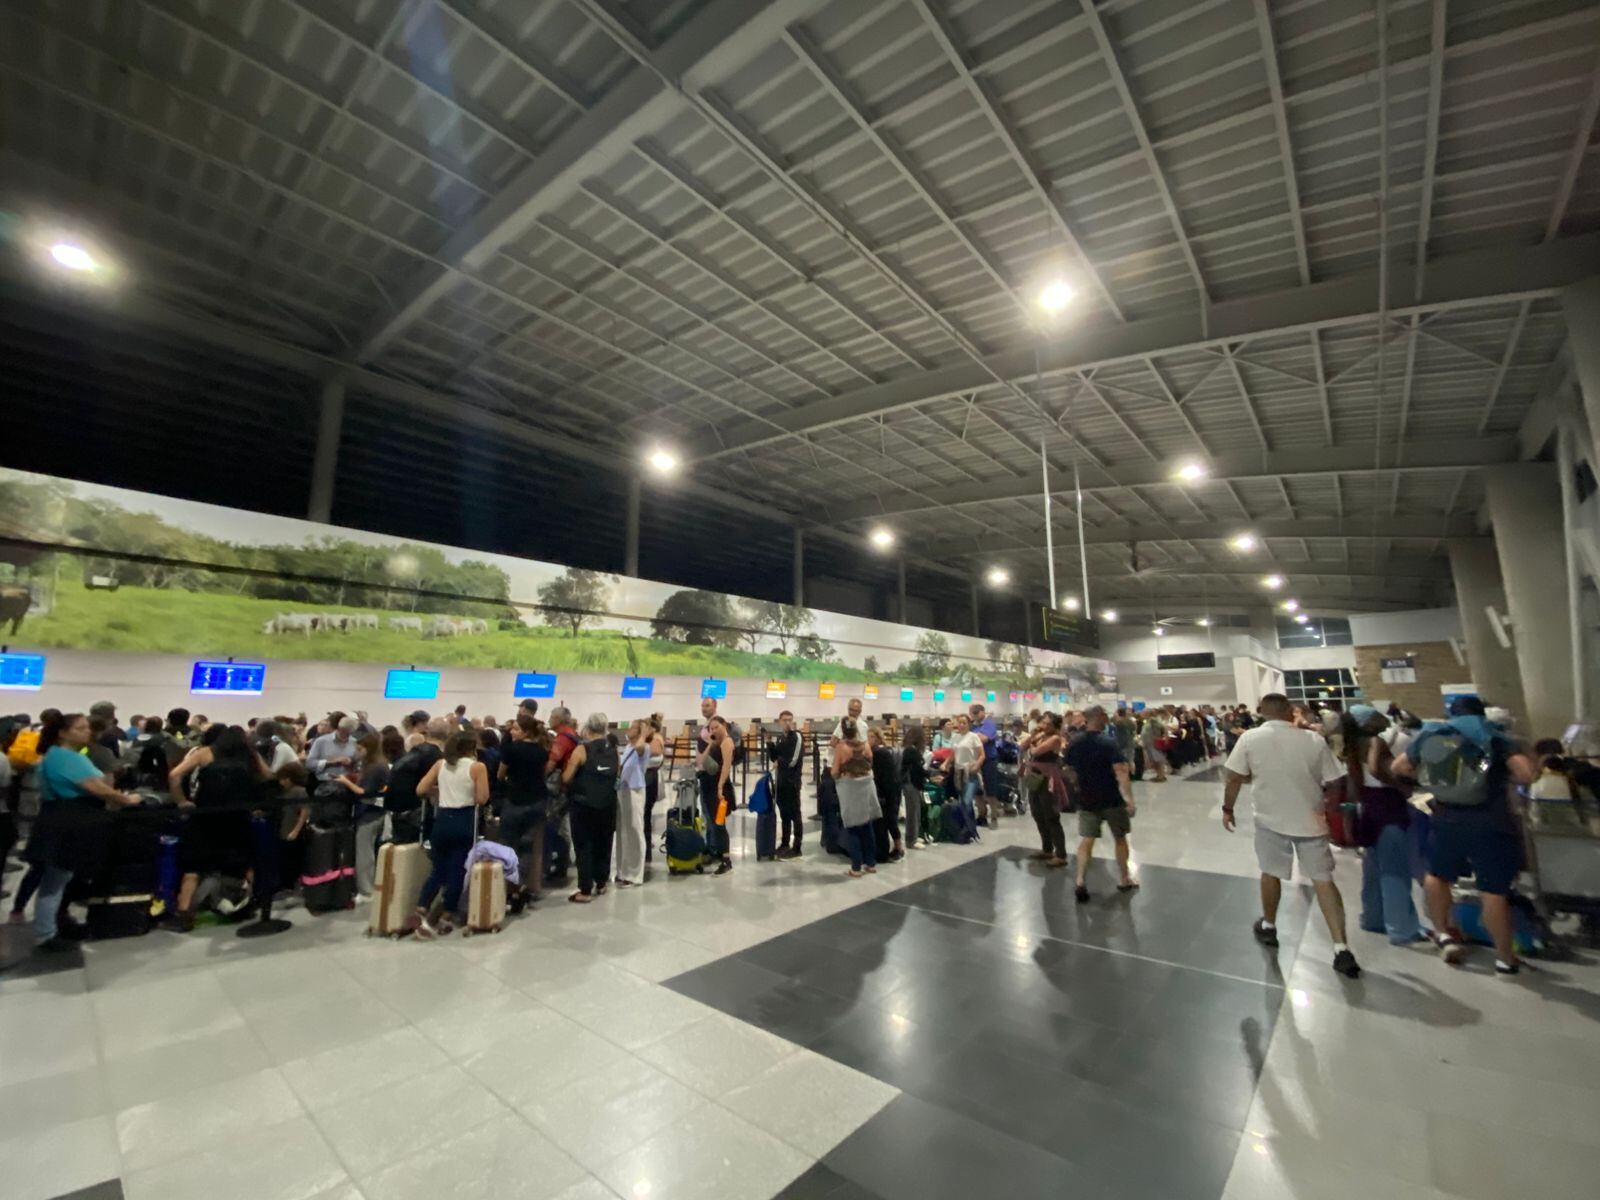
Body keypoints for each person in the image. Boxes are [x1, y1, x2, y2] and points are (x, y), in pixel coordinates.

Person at [1392, 697, 1537, 974]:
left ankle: (1443, 934)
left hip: (1445, 817)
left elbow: (1399, 767)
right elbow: (1526, 774)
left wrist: (1432, 781)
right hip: (1489, 821)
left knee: (1437, 875)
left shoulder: (1433, 734)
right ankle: (1505, 959)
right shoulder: (1494, 736)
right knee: (1493, 890)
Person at [1222, 693, 1361, 978]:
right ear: (1287, 711)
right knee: (1323, 880)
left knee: (1270, 873)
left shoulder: (1250, 738)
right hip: (1311, 820)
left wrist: (1228, 808)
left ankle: (1269, 925)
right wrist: (1331, 809)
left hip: (1270, 819)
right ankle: (1341, 947)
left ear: (1263, 712)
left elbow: (1234, 776)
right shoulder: (1313, 740)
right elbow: (1335, 780)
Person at [24, 712, 140, 951]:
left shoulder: (56, 755)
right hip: (68, 821)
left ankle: (53, 924)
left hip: (59, 819)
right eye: (80, 728)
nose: (87, 732)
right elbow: (98, 788)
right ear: (63, 733)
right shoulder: (67, 758)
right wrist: (127, 800)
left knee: (58, 879)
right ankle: (46, 934)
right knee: (56, 880)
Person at [1340, 705, 1421, 945]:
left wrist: (1349, 816)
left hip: (1367, 806)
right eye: (1375, 714)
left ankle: (1373, 918)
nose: (1381, 717)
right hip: (1388, 805)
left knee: (1373, 868)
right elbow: (1376, 768)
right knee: (1395, 870)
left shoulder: (1353, 746)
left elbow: (1353, 785)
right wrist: (1400, 786)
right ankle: (1401, 928)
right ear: (1367, 722)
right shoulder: (1376, 741)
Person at [409, 731, 488, 938]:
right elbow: (482, 798)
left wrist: (441, 790)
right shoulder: (477, 767)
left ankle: (421, 908)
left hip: (442, 820)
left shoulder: (440, 764)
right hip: (464, 820)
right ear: (472, 747)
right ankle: (446, 916)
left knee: (438, 870)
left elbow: (420, 789)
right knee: (457, 871)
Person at [1064, 707, 1135, 898]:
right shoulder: (1108, 742)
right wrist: (1129, 799)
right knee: (1120, 837)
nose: (1107, 719)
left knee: (1087, 839)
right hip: (1111, 798)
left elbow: (1068, 769)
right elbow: (1121, 771)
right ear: (1098, 717)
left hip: (1087, 798)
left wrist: (1078, 785)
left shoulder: (1075, 742)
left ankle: (1080, 879)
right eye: (1104, 716)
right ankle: (1124, 878)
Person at [561, 713, 621, 902]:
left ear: (588, 727)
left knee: (584, 845)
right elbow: (617, 773)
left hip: (584, 805)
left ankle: (585, 890)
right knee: (604, 842)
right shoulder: (614, 750)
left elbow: (567, 777)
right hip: (608, 803)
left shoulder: (582, 749)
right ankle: (602, 883)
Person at [335, 730, 395, 900]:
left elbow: (364, 792)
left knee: (364, 853)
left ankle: (366, 890)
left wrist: (345, 781)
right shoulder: (380, 764)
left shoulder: (374, 768)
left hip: (369, 814)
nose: (357, 752)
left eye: (360, 749)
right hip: (377, 812)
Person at [498, 713, 549, 908]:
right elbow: (543, 773)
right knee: (527, 847)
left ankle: (507, 889)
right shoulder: (542, 751)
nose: (512, 731)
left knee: (508, 846)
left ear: (525, 732)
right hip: (536, 801)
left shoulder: (510, 750)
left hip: (514, 801)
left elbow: (500, 774)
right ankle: (520, 887)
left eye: (516, 728)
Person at [832, 717, 880, 878]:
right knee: (867, 825)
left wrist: (839, 774)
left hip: (850, 788)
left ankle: (856, 867)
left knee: (852, 827)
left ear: (842, 731)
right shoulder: (865, 745)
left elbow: (835, 771)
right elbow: (870, 763)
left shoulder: (841, 747)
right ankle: (871, 864)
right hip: (866, 787)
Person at [1025, 712, 1070, 868]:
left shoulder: (1055, 738)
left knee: (1051, 815)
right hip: (1035, 778)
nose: (1043, 726)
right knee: (1037, 813)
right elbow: (1022, 746)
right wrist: (1032, 736)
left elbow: (1035, 752)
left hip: (1047, 779)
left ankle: (1061, 854)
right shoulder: (1040, 736)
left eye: (1047, 723)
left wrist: (1032, 745)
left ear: (1055, 726)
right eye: (1043, 722)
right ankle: (1047, 848)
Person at [697, 715, 737, 876]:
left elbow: (726, 766)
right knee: (714, 824)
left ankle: (726, 860)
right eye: (711, 728)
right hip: (709, 786)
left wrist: (720, 787)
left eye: (716, 727)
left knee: (719, 825)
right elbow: (702, 760)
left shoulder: (727, 742)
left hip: (718, 787)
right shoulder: (716, 743)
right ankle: (720, 855)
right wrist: (710, 743)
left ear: (724, 725)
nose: (714, 731)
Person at [614, 719, 650, 887]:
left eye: (633, 727)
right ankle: (622, 870)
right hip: (623, 790)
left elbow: (640, 747)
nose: (628, 729)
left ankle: (635, 874)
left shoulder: (643, 747)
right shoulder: (628, 747)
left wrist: (644, 734)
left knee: (635, 830)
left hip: (635, 790)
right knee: (623, 832)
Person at [765, 710, 805, 858]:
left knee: (795, 814)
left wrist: (779, 762)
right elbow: (774, 757)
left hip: (792, 782)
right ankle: (784, 843)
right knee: (784, 814)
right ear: (780, 722)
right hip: (781, 781)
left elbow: (793, 760)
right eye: (785, 720)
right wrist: (769, 743)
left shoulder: (797, 736)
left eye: (790, 720)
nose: (787, 722)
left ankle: (797, 847)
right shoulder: (782, 738)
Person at [868, 727, 903, 862]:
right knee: (888, 820)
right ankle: (896, 847)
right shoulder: (873, 753)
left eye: (872, 737)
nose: (869, 739)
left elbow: (887, 776)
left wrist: (887, 794)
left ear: (878, 739)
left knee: (891, 820)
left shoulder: (881, 753)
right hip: (885, 790)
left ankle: (899, 847)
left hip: (890, 791)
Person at [969, 703, 1002, 826]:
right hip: (975, 760)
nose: (974, 715)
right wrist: (976, 736)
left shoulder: (989, 724)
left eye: (976, 712)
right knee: (977, 790)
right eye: (972, 713)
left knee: (990, 789)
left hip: (989, 760)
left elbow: (983, 739)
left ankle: (994, 816)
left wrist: (973, 737)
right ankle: (982, 815)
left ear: (983, 712)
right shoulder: (973, 726)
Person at [951, 714, 984, 829]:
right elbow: (953, 754)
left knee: (967, 800)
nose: (962, 725)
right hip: (958, 773)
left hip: (970, 773)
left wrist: (977, 765)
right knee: (962, 801)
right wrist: (945, 763)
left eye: (964, 723)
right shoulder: (955, 738)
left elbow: (982, 755)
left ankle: (969, 826)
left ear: (968, 724)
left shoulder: (973, 737)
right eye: (960, 723)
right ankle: (968, 826)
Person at [900, 723, 928, 848]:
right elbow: (917, 769)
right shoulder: (911, 751)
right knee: (912, 811)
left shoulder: (909, 749)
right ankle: (911, 840)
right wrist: (930, 774)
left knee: (915, 810)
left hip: (910, 783)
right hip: (911, 783)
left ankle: (914, 836)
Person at [642, 714, 665, 863]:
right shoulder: (654, 738)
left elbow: (653, 752)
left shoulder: (655, 739)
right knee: (645, 816)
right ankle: (645, 846)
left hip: (649, 780)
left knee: (645, 815)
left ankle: (646, 849)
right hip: (650, 779)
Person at [1139, 708, 1168, 782]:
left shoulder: (1153, 720)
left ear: (1148, 713)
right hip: (1149, 743)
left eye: (1143, 712)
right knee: (1154, 760)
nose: (1141, 714)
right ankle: (1159, 775)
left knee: (1158, 760)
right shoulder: (1148, 720)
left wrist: (1159, 737)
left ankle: (1161, 776)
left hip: (1153, 743)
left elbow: (1163, 727)